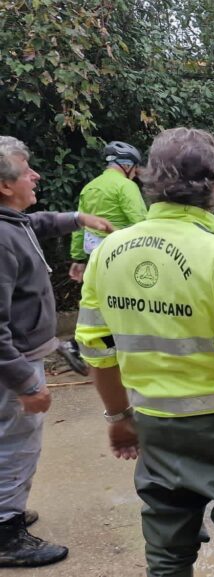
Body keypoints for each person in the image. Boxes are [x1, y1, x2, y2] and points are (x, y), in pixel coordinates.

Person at [74, 128, 214, 576]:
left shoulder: (108, 253)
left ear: (149, 179)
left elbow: (96, 349)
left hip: (155, 428)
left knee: (167, 555)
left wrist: (119, 419)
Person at [0, 135, 112, 567]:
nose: (35, 175)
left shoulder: (13, 222)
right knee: (16, 442)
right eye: (26, 169)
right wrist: (27, 382)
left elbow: (39, 222)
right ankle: (6, 532)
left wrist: (78, 218)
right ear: (6, 185)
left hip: (21, 357)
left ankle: (4, 510)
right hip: (14, 366)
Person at [68, 141, 147, 282]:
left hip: (94, 255)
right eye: (135, 169)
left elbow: (79, 225)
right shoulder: (126, 186)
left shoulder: (89, 187)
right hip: (121, 254)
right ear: (127, 165)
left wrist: (78, 258)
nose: (135, 174)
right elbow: (141, 222)